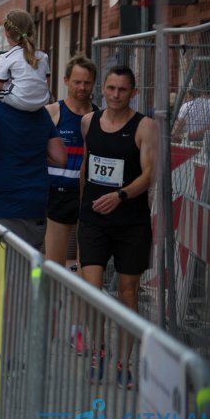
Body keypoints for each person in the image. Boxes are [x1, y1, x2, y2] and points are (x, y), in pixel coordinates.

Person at [78, 66, 156, 385]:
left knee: (128, 292)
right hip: (94, 219)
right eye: (111, 88)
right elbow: (86, 166)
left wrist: (120, 195)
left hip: (130, 222)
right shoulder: (88, 122)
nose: (115, 95)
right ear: (103, 89)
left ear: (133, 93)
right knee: (91, 289)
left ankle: (124, 363)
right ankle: (98, 351)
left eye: (123, 90)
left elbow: (150, 174)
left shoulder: (145, 126)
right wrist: (83, 207)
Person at [0, 79, 66, 249]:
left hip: (3, 207)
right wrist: (29, 151)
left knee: (2, 266)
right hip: (35, 207)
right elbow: (60, 158)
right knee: (29, 264)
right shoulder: (39, 112)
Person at [44, 55, 97, 266]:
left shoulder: (100, 117)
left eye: (87, 82)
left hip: (90, 195)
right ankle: (51, 290)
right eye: (77, 82)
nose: (82, 87)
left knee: (88, 264)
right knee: (54, 264)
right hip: (58, 194)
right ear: (66, 81)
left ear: (94, 83)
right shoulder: (53, 112)